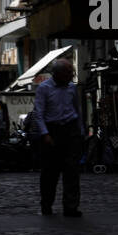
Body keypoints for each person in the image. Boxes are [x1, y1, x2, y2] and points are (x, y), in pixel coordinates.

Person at [33, 57, 86, 216]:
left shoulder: (72, 88)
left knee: (72, 171)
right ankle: (47, 204)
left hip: (70, 130)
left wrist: (80, 131)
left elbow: (77, 111)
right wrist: (45, 134)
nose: (71, 75)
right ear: (57, 74)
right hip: (52, 131)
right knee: (50, 172)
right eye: (68, 72)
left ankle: (71, 207)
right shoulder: (44, 88)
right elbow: (38, 113)